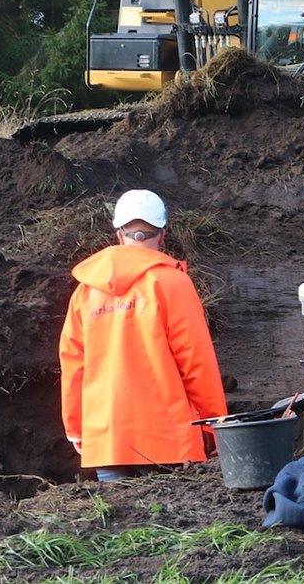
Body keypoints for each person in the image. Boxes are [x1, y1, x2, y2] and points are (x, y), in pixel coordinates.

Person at [60, 189, 229, 481]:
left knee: (120, 525)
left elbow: (73, 366)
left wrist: (76, 428)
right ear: (162, 235)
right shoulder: (173, 284)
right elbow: (196, 362)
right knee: (173, 525)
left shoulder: (86, 291)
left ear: (118, 234)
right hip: (169, 440)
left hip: (108, 440)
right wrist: (215, 425)